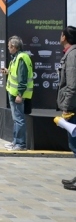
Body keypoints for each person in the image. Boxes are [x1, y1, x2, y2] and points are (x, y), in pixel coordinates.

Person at [0, 36, 33, 151]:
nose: (8, 48)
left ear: (14, 47)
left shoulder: (21, 58)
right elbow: (16, 74)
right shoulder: (16, 57)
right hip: (13, 92)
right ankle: (15, 142)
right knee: (16, 119)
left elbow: (23, 78)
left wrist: (20, 94)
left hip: (18, 94)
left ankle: (20, 144)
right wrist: (7, 72)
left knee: (19, 119)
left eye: (9, 46)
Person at [57, 27, 76, 190]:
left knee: (75, 144)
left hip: (73, 107)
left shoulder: (72, 55)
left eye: (61, 34)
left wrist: (66, 107)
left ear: (65, 37)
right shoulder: (70, 53)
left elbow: (72, 85)